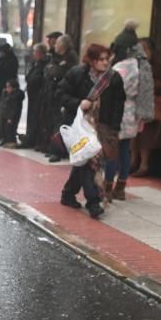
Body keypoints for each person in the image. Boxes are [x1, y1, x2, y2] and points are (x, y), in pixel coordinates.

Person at [57, 43, 126, 219]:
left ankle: (68, 193)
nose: (105, 63)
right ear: (91, 60)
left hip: (103, 127)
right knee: (88, 162)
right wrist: (79, 103)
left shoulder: (114, 78)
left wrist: (114, 129)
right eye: (100, 59)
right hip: (81, 126)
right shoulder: (77, 74)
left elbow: (119, 105)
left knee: (84, 161)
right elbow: (60, 94)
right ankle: (93, 202)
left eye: (106, 59)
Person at [106, 27, 154, 201]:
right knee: (125, 150)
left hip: (118, 112)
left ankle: (107, 187)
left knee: (112, 150)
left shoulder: (121, 67)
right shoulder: (141, 65)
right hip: (133, 112)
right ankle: (121, 187)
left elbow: (111, 89)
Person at [131, 38, 161, 177]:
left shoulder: (157, 66)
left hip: (151, 106)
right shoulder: (134, 63)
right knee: (133, 135)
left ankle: (144, 165)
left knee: (147, 137)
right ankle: (132, 161)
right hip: (135, 105)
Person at [43, 34, 80, 161]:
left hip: (64, 95)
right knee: (55, 122)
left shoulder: (70, 57)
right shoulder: (58, 57)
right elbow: (49, 70)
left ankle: (59, 151)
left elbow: (57, 72)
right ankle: (54, 148)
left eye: (57, 43)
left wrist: (55, 69)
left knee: (61, 123)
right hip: (55, 93)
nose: (55, 46)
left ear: (63, 45)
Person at [0, 43, 19, 146]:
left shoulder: (11, 61)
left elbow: (7, 76)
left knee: (4, 115)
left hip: (4, 91)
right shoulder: (2, 60)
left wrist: (2, 88)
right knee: (0, 116)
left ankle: (5, 137)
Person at [19, 43, 48, 148]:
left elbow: (39, 79)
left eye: (35, 52)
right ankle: (30, 138)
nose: (33, 54)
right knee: (31, 117)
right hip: (33, 96)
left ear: (40, 53)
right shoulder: (36, 64)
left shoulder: (44, 65)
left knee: (36, 119)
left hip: (39, 96)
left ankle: (35, 140)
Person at [0, 79, 25, 147]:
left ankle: (12, 142)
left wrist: (11, 117)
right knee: (5, 128)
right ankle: (5, 140)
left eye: (8, 87)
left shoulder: (16, 96)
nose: (6, 89)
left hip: (12, 116)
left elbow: (15, 109)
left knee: (10, 129)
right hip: (5, 114)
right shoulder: (7, 94)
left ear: (14, 88)